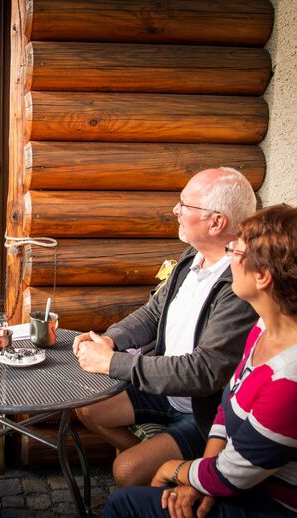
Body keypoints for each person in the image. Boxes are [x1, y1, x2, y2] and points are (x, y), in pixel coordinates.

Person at [103, 204, 297, 518]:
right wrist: (201, 474)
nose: (229, 253)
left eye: (236, 250)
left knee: (121, 503)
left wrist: (178, 471)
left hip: (268, 502)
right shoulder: (264, 328)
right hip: (231, 472)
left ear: (262, 276)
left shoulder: (289, 379)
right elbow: (227, 405)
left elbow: (232, 474)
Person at [72, 167, 259, 487]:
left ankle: (163, 472)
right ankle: (158, 465)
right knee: (86, 408)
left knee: (126, 471)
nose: (176, 210)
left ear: (216, 222)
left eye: (185, 204)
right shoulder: (192, 258)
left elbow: (203, 372)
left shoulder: (239, 285)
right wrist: (110, 341)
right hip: (163, 391)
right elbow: (153, 313)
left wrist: (113, 363)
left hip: (203, 414)